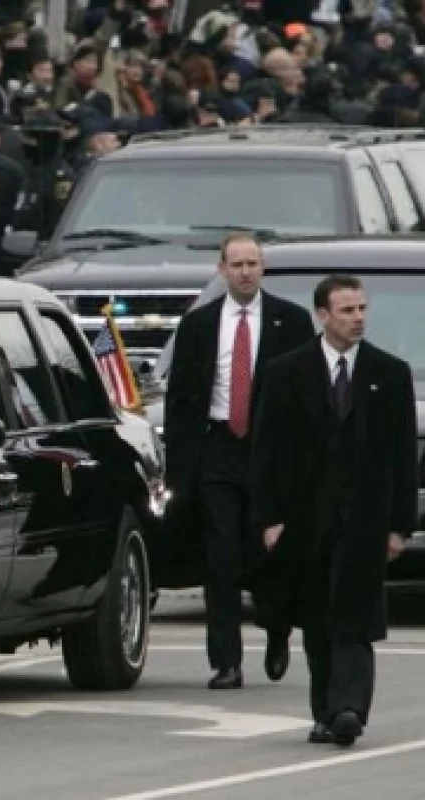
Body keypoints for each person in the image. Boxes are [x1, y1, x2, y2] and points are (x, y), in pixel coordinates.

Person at [250, 274, 416, 748]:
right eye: (347, 310)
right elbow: (265, 452)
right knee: (319, 619)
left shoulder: (390, 373)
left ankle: (349, 709)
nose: (358, 318)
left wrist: (399, 526)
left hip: (364, 519)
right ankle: (325, 711)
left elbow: (403, 456)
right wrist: (269, 518)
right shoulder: (286, 373)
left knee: (356, 617)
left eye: (362, 309)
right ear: (323, 315)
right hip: (306, 518)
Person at [163, 231, 315, 690]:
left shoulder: (292, 321)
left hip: (271, 453)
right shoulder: (198, 324)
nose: (246, 272)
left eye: (252, 264)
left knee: (268, 553)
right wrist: (180, 473)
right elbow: (180, 400)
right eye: (237, 264)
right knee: (221, 555)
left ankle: (276, 627)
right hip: (218, 449)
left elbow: (307, 399)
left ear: (262, 267)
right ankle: (226, 660)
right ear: (222, 270)